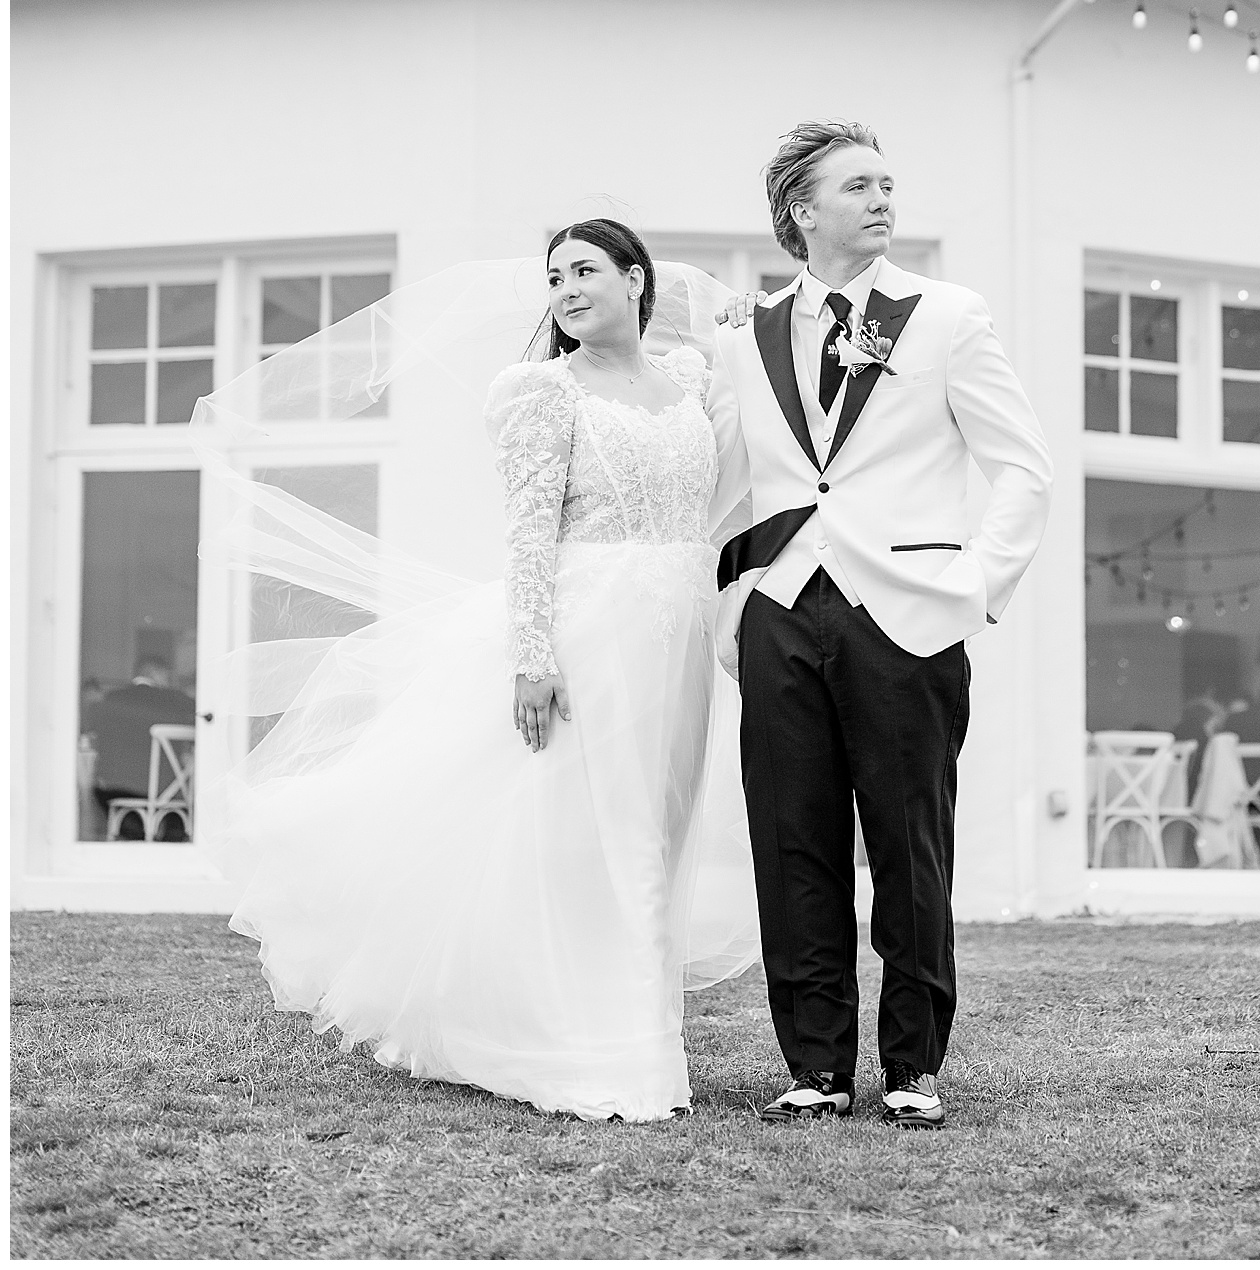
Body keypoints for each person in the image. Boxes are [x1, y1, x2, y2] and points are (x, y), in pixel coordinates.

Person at [209, 223, 760, 1122]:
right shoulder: (543, 392)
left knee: (662, 829)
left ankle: (642, 1037)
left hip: (679, 636)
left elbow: (734, 477)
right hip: (592, 632)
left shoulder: (694, 381)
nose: (568, 288)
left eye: (586, 270)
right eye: (555, 277)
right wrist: (532, 659)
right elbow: (529, 531)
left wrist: (741, 333)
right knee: (601, 841)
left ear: (635, 278)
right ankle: (611, 1057)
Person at [710, 120, 1052, 1128]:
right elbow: (722, 478)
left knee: (910, 847)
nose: (881, 197)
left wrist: (973, 588)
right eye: (856, 184)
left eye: (886, 183)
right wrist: (729, 597)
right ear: (801, 211)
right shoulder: (744, 331)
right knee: (792, 844)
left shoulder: (945, 316)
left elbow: (1022, 467)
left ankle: (911, 1066)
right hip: (778, 611)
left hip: (905, 614)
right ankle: (813, 1066)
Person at [85, 657, 196, 836]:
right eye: (167, 674)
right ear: (154, 672)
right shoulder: (175, 701)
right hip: (163, 787)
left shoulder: (110, 699)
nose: (170, 680)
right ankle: (175, 836)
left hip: (112, 787)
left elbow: (90, 732)